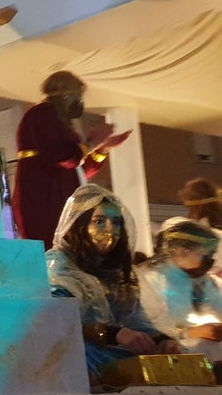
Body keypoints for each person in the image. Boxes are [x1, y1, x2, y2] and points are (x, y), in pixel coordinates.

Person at [46, 184, 181, 379]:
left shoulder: (117, 273)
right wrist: (111, 334)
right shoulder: (58, 267)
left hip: (114, 354)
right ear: (78, 224)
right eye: (99, 221)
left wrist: (161, 341)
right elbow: (54, 322)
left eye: (116, 222)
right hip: (78, 358)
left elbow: (136, 320)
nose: (110, 230)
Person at [13, 71, 131, 250]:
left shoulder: (61, 123)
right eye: (78, 96)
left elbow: (77, 170)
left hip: (60, 198)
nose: (80, 102)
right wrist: (91, 144)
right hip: (43, 198)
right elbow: (60, 156)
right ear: (67, 96)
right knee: (52, 249)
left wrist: (102, 149)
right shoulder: (42, 114)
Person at [137, 220, 222, 361]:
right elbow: (144, 326)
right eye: (205, 254)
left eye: (212, 255)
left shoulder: (206, 282)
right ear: (180, 251)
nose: (210, 261)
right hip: (171, 357)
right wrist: (188, 333)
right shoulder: (150, 281)